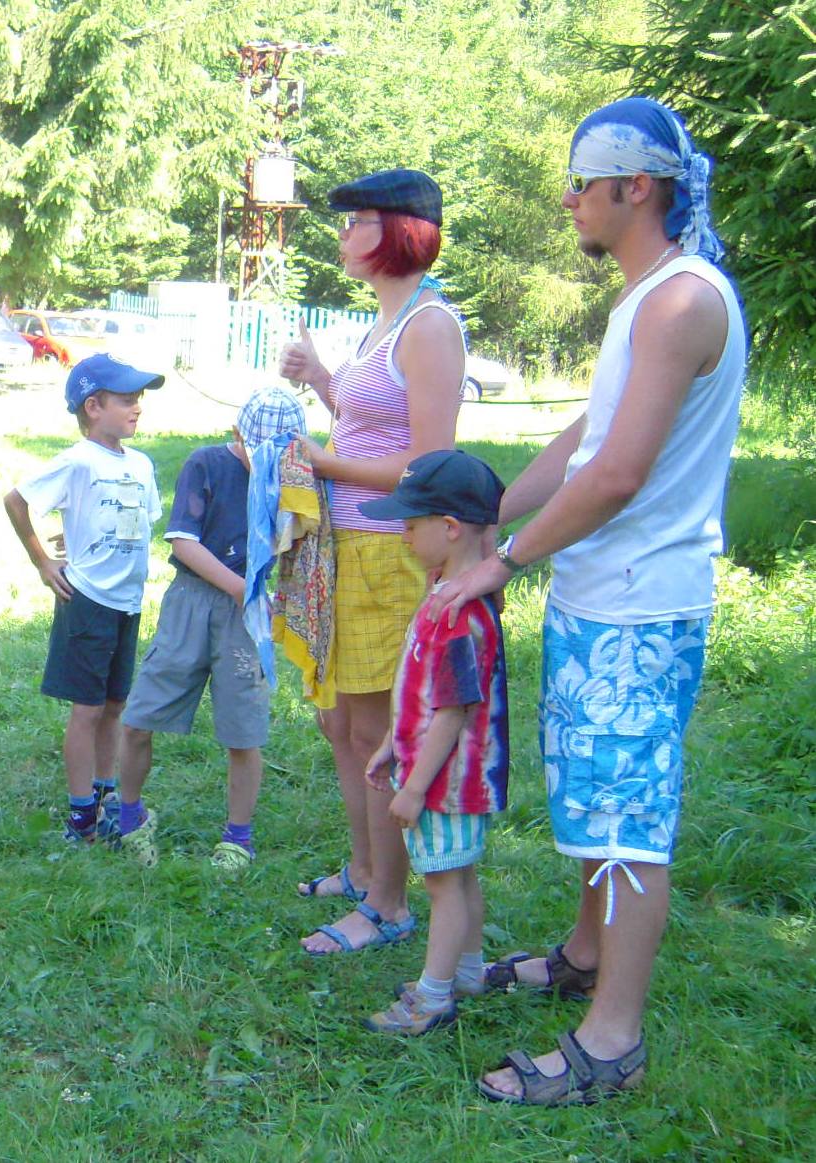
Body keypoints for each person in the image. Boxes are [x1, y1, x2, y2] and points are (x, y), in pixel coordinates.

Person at [432, 97, 747, 1104]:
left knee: (627, 823)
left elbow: (616, 475)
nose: (568, 199)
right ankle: (582, 953)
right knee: (594, 799)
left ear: (634, 187)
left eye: (581, 182)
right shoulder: (646, 297)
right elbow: (587, 435)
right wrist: (489, 510)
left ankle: (611, 1040)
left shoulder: (680, 301)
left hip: (638, 610)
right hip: (601, 598)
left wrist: (504, 559)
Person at [278, 169, 465, 954]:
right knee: (342, 724)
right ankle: (364, 870)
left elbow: (431, 464)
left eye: (356, 220)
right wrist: (323, 380)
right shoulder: (383, 323)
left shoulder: (430, 326)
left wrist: (325, 465)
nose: (344, 234)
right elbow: (369, 426)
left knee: (377, 731)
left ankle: (389, 904)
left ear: (398, 231)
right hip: (346, 547)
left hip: (392, 553)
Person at [343, 451, 509, 1033]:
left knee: (443, 883)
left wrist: (413, 787)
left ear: (451, 527)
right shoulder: (444, 589)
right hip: (436, 767)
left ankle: (433, 998)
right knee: (459, 873)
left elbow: (454, 710)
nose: (403, 534)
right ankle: (468, 971)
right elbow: (424, 688)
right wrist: (393, 740)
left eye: (411, 524)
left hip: (447, 779)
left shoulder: (460, 613)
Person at [115, 389, 303, 869]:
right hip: (192, 602)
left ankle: (238, 838)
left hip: (247, 617)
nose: (270, 462)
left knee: (244, 731)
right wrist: (241, 589)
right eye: (260, 451)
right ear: (237, 434)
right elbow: (183, 542)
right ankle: (130, 818)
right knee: (139, 718)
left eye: (281, 454)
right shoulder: (206, 464)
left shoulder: (293, 477)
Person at [4, 353, 164, 843]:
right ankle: (80, 815)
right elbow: (16, 500)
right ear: (93, 406)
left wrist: (80, 534)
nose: (137, 407)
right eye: (126, 399)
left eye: (139, 398)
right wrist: (42, 561)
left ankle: (105, 794)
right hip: (89, 600)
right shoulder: (77, 460)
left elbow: (132, 522)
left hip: (128, 603)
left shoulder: (141, 463)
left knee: (115, 703)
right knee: (87, 710)